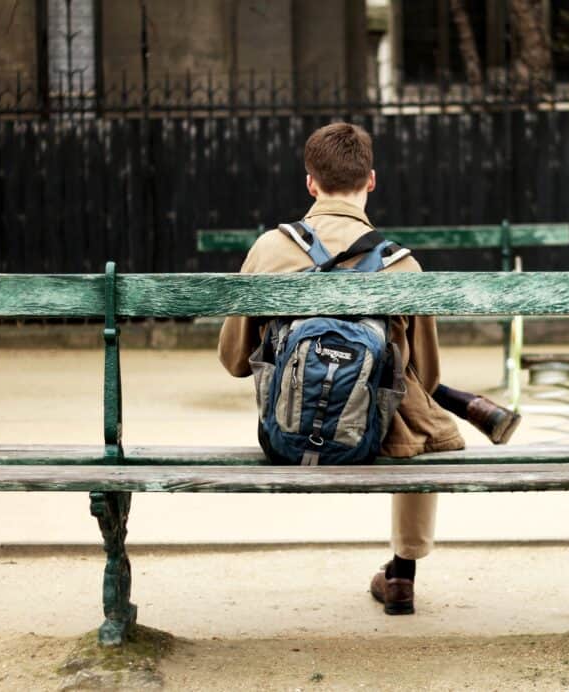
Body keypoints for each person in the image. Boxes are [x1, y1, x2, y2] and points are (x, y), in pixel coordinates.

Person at [217, 122, 520, 615]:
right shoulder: (402, 264)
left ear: (310, 183)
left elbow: (234, 362)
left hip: (285, 434)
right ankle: (403, 572)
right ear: (371, 181)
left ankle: (401, 571)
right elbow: (429, 372)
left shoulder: (269, 248)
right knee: (422, 415)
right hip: (375, 435)